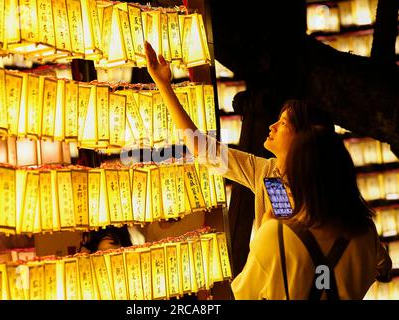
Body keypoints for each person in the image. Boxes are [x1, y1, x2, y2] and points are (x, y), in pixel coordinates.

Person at [144, 41, 334, 233]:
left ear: (305, 137)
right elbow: (202, 149)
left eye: (283, 123)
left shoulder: (320, 194)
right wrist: (164, 85)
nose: (272, 126)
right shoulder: (267, 172)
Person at [231, 127, 392, 299]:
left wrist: (265, 229)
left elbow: (243, 294)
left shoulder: (275, 234)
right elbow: (383, 268)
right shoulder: (366, 231)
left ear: (300, 176)